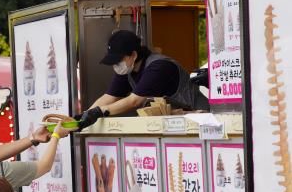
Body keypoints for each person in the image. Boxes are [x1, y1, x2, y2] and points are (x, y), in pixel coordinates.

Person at [77, 30, 209, 129]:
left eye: (118, 60)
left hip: (199, 119)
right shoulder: (127, 70)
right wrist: (83, 116)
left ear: (133, 55)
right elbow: (109, 97)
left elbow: (134, 101)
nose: (116, 65)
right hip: (173, 124)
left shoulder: (159, 66)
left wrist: (99, 112)